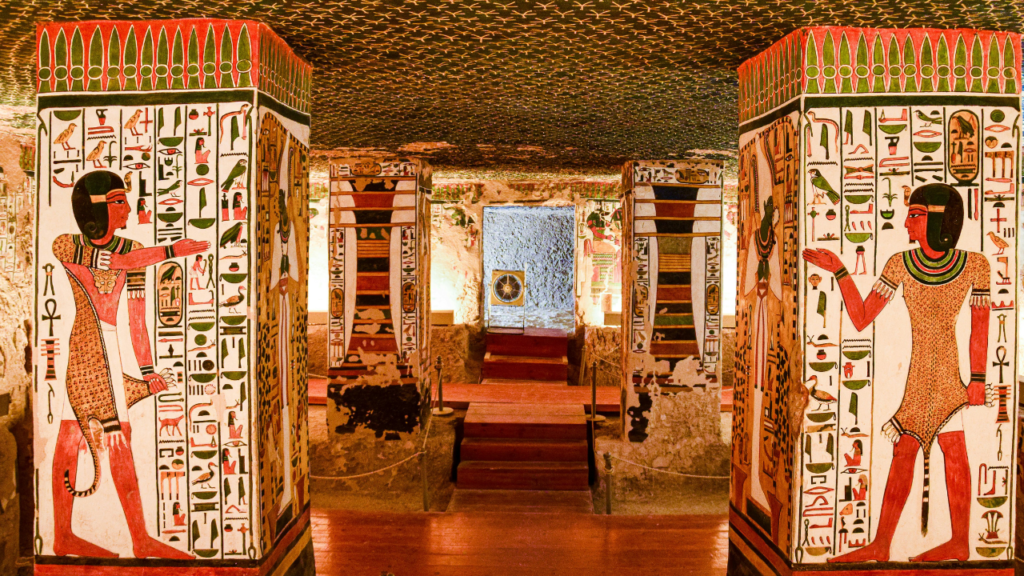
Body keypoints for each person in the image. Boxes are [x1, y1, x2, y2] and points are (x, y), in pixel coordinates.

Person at [803, 183, 992, 563]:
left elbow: (980, 326)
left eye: (916, 215)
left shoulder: (976, 265)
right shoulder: (900, 263)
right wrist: (839, 270)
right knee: (908, 449)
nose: (906, 223)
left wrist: (977, 379)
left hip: (949, 376)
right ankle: (885, 544)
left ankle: (953, 541)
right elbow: (861, 318)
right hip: (921, 374)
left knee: (951, 451)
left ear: (940, 220)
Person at [50, 170, 208, 558]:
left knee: (80, 434)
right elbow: (121, 261)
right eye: (118, 201)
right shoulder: (67, 244)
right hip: (87, 350)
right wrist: (172, 250)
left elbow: (136, 316)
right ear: (95, 210)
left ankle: (125, 539)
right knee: (87, 435)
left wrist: (149, 370)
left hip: (111, 349)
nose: (127, 208)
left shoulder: (132, 247)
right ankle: (101, 538)